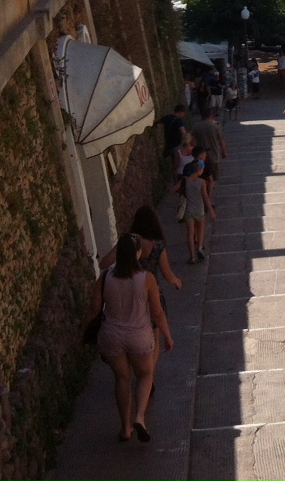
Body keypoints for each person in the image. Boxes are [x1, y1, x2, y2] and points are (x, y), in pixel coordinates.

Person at [83, 233, 173, 443]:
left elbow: (94, 308)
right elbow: (157, 313)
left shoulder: (105, 277)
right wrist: (167, 336)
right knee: (145, 374)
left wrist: (82, 330)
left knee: (122, 378)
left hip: (111, 336)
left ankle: (125, 428)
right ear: (138, 253)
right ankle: (139, 417)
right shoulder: (146, 279)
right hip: (139, 336)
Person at [98, 207, 182, 381]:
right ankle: (148, 376)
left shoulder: (128, 244)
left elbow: (103, 263)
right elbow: (167, 273)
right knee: (154, 339)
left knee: (132, 332)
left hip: (130, 294)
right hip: (153, 294)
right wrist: (176, 281)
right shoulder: (158, 245)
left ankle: (136, 372)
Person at [172, 152, 215, 263]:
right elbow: (205, 197)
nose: (202, 171)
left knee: (190, 234)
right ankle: (199, 248)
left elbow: (172, 190)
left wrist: (182, 191)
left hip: (188, 210)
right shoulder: (202, 182)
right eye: (202, 169)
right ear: (198, 171)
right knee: (201, 230)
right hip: (199, 209)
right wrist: (211, 210)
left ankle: (192, 256)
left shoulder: (184, 180)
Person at [192, 107, 227, 198]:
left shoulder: (196, 127)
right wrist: (224, 152)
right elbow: (221, 140)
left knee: (203, 176)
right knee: (212, 178)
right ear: (212, 115)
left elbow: (193, 143)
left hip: (200, 157)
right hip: (214, 156)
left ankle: (204, 194)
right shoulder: (216, 127)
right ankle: (208, 196)